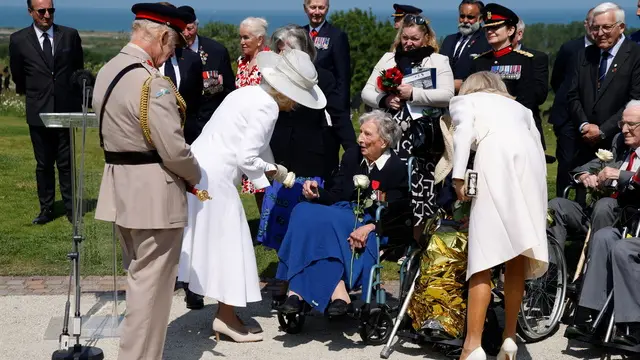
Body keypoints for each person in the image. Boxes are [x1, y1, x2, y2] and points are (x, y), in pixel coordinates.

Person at [177, 49, 327, 342]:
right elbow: (248, 158)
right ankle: (226, 319)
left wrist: (274, 174)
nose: (296, 103)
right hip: (216, 180)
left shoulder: (247, 94)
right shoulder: (268, 107)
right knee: (231, 244)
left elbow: (256, 148)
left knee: (217, 242)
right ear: (288, 93)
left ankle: (226, 313)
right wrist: (276, 174)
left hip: (200, 175)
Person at [92, 4, 201, 359]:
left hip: (121, 191)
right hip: (155, 197)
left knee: (139, 283)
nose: (171, 52)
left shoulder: (108, 70)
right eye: (171, 45)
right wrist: (196, 174)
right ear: (162, 36)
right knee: (151, 294)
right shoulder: (151, 82)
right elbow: (173, 149)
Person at [450, 71, 548, 360]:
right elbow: (538, 145)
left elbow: (463, 133)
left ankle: (472, 345)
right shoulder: (522, 109)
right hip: (531, 164)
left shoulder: (466, 101)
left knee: (483, 257)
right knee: (516, 252)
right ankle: (509, 337)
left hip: (495, 157)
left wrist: (458, 177)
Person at [276, 110, 409, 316]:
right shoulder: (352, 156)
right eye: (360, 132)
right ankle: (333, 293)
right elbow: (337, 193)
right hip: (340, 213)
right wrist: (316, 193)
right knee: (302, 210)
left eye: (367, 134)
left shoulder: (396, 168)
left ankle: (298, 292)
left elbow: (398, 210)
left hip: (366, 221)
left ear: (383, 142)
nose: (360, 139)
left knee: (324, 222)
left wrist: (370, 226)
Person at [257, 24, 356, 252]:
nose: (281, 55)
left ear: (303, 51)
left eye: (287, 51)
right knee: (279, 219)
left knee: (307, 218)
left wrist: (352, 149)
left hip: (313, 158)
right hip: (280, 155)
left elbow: (338, 115)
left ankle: (304, 268)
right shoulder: (273, 77)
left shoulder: (323, 77)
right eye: (278, 50)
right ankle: (281, 274)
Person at [361, 14, 454, 237]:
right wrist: (384, 99)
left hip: (422, 138)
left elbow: (448, 95)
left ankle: (420, 236)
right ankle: (386, 233)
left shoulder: (438, 61)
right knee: (389, 183)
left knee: (420, 185)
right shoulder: (388, 59)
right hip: (390, 135)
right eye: (405, 38)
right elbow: (366, 91)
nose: (409, 43)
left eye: (414, 38)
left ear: (426, 38)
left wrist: (415, 94)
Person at [9, 0, 84, 224]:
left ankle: (72, 209)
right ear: (30, 12)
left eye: (50, 10)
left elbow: (78, 69)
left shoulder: (70, 35)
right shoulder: (19, 39)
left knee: (66, 163)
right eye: (41, 11)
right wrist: (34, 95)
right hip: (38, 109)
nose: (47, 15)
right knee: (43, 164)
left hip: (65, 109)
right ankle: (46, 209)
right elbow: (17, 74)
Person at [548, 101, 640, 252]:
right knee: (556, 206)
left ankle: (593, 268)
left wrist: (620, 174)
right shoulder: (621, 143)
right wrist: (584, 176)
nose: (624, 129)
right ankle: (551, 269)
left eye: (631, 124)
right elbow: (588, 166)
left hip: (629, 218)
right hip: (597, 214)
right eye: (622, 123)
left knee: (604, 205)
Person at [567, 2, 640, 188]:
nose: (600, 33)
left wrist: (602, 131)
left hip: (619, 140)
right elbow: (573, 94)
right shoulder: (583, 55)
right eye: (595, 28)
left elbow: (634, 99)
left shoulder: (636, 55)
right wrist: (584, 125)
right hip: (584, 141)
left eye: (606, 27)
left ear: (621, 27)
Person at [469, 3, 548, 148]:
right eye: (487, 28)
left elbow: (534, 97)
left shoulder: (528, 60)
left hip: (520, 130)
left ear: (511, 30)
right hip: (487, 133)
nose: (490, 31)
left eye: (495, 27)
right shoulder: (479, 62)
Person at [549, 7, 595, 197]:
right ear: (586, 24)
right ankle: (561, 203)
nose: (596, 30)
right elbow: (557, 80)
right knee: (566, 162)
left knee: (588, 164)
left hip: (592, 117)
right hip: (567, 116)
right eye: (592, 24)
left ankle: (583, 206)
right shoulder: (570, 48)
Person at [178, 5, 235, 144]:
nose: (186, 33)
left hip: (212, 125)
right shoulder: (172, 52)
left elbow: (229, 90)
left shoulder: (216, 51)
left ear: (196, 25)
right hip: (181, 129)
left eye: (190, 28)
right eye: (181, 30)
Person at [235, 17, 270, 211]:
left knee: (266, 182)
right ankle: (263, 229)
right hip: (244, 130)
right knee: (253, 183)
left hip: (265, 131)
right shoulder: (241, 62)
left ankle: (272, 228)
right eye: (241, 37)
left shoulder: (269, 61)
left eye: (246, 37)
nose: (242, 42)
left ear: (260, 39)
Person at [302, 0, 351, 109]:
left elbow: (343, 76)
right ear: (305, 8)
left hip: (326, 100)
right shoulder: (299, 33)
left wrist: (341, 108)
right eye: (313, 7)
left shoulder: (337, 36)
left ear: (327, 9)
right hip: (301, 99)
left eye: (321, 8)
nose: (317, 12)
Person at [440, 0, 490, 94]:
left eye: (470, 17)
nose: (465, 21)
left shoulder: (486, 41)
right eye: (462, 16)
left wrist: (462, 84)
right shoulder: (449, 40)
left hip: (471, 98)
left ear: (480, 19)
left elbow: (486, 76)